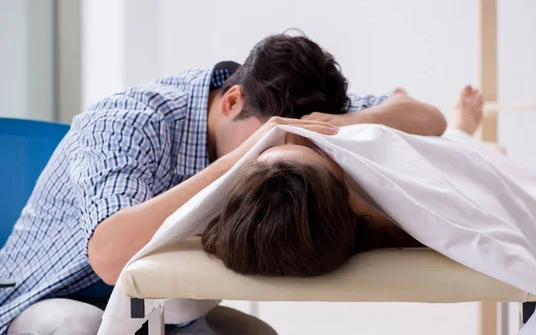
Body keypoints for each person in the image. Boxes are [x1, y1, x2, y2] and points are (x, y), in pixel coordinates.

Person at [0, 33, 446, 335]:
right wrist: (242, 160)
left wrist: (349, 120)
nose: (278, 155)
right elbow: (109, 257)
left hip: (155, 308)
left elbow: (429, 119)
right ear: (232, 101)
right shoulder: (129, 120)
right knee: (76, 327)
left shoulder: (290, 108)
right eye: (272, 139)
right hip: (49, 304)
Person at [202, 85, 485, 278]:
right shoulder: (404, 207)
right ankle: (462, 129)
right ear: (345, 187)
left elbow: (427, 117)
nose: (292, 132)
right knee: (451, 144)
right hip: (449, 159)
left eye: (266, 147)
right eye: (313, 147)